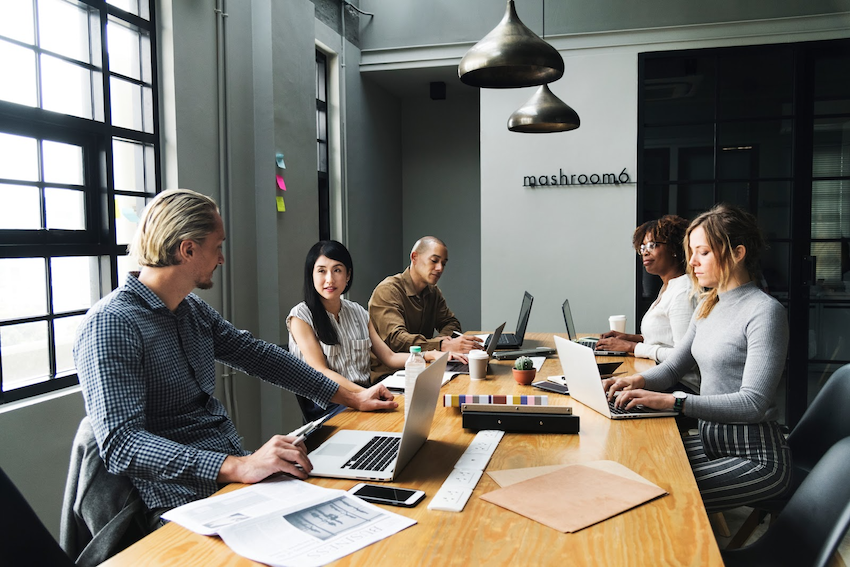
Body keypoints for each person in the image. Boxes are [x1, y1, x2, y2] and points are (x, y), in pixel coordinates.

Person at [73, 189, 396, 523]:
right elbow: (123, 446)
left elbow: (259, 356)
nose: (222, 258)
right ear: (188, 249)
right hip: (177, 504)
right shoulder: (111, 324)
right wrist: (241, 465)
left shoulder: (192, 310)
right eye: (218, 247)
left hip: (230, 483)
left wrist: (352, 397)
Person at [604, 203, 791, 512]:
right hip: (712, 443)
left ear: (737, 253)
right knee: (630, 468)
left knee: (654, 499)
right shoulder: (708, 304)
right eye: (692, 252)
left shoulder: (765, 312)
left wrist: (672, 401)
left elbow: (753, 402)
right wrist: (632, 380)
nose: (692, 262)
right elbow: (674, 366)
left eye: (703, 252)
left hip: (756, 457)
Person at [287, 240, 464, 392]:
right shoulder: (300, 317)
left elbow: (390, 357)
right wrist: (365, 393)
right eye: (321, 271)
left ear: (348, 275)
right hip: (331, 405)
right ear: (311, 275)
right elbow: (321, 372)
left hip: (364, 397)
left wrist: (432, 354)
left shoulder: (358, 312)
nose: (329, 279)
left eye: (337, 270)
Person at [595, 215, 700, 393]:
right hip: (661, 375)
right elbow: (666, 339)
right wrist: (630, 338)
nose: (644, 252)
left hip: (681, 386)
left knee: (606, 390)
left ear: (674, 248)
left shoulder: (682, 292)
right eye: (642, 247)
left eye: (653, 245)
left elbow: (685, 358)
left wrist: (632, 347)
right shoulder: (669, 286)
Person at [368, 236, 482, 379]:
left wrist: (443, 342)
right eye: (434, 261)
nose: (440, 268)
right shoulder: (387, 291)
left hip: (425, 367)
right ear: (414, 257)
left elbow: (451, 323)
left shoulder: (433, 291)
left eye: (443, 263)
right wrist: (441, 346)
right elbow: (396, 340)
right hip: (391, 375)